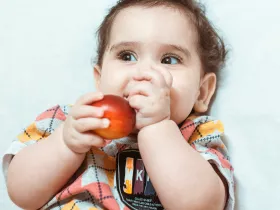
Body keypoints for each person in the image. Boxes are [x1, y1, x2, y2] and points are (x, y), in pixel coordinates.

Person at [2, 0, 235, 209]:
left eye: (169, 60)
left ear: (202, 92)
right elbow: (20, 193)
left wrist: (157, 128)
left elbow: (202, 205)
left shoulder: (196, 136)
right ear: (99, 79)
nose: (144, 73)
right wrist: (65, 144)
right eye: (127, 56)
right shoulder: (69, 121)